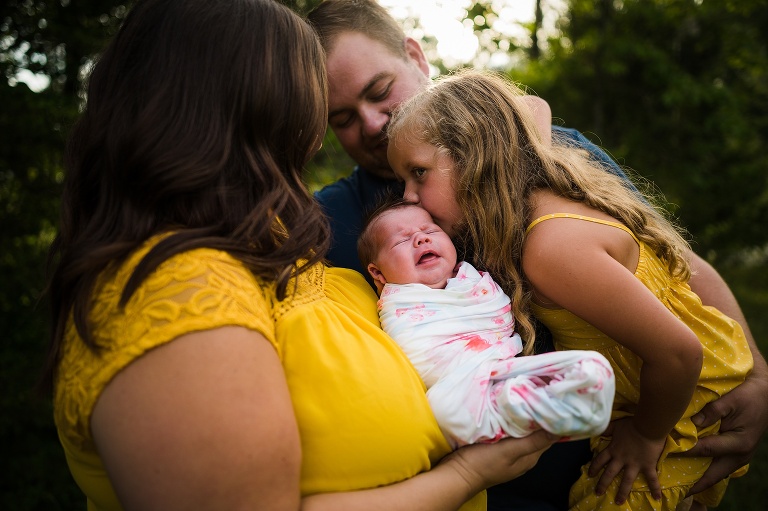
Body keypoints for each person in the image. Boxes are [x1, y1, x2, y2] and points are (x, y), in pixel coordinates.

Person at [40, 2, 560, 510]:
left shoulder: (267, 240)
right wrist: (469, 473)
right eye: (315, 99)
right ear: (254, 109)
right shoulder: (170, 294)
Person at [306, 1, 768, 510]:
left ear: (416, 57)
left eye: (380, 92)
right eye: (343, 118)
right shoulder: (329, 223)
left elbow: (674, 263)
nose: (372, 124)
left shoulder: (550, 169)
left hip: (626, 440)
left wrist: (758, 375)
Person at [385, 68, 756, 510]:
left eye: (418, 173)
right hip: (665, 395)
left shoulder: (550, 248)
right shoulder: (546, 193)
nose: (407, 196)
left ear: (475, 156)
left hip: (683, 408)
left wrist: (645, 435)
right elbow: (524, 112)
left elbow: (680, 353)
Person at [358, 197, 615, 449]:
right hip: (459, 386)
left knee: (592, 367)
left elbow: (500, 317)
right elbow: (416, 351)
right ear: (378, 273)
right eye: (402, 240)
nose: (421, 238)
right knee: (443, 409)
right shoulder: (399, 300)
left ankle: (521, 405)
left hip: (504, 367)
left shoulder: (473, 281)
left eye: (430, 230)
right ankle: (528, 409)